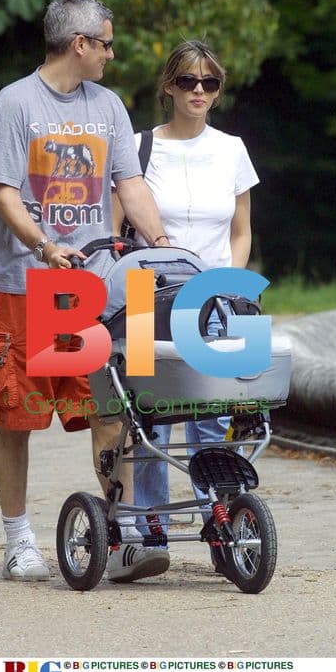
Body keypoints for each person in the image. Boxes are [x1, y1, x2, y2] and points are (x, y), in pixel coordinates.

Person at [0, 0, 171, 584]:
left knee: (108, 405)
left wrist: (161, 243)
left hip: (93, 283)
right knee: (18, 411)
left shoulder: (107, 106)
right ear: (79, 44)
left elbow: (128, 183)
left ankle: (120, 530)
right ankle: (17, 539)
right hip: (20, 282)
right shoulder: (14, 105)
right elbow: (4, 191)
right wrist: (44, 246)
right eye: (106, 42)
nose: (112, 52)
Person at [112, 39, 259, 573]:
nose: (199, 91)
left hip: (214, 300)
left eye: (210, 83)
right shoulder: (139, 147)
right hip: (147, 298)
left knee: (212, 417)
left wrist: (232, 283)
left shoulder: (233, 149)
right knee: (150, 420)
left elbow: (241, 232)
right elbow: (115, 233)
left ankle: (219, 526)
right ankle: (151, 536)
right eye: (188, 81)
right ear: (168, 87)